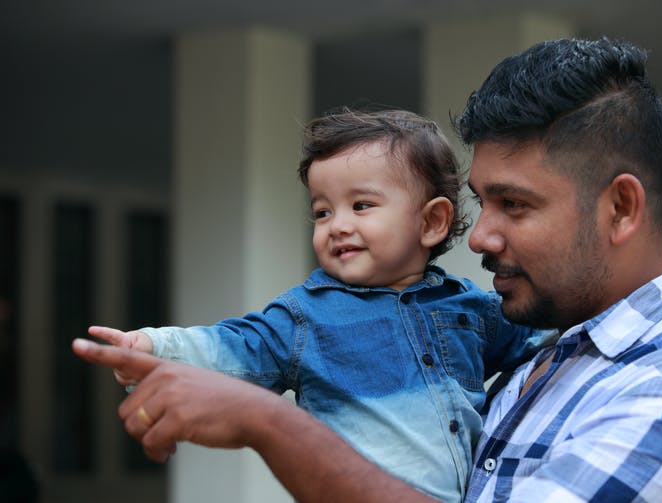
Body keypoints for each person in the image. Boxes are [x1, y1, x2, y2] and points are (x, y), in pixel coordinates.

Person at [73, 37, 662, 502]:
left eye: (514, 204)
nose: (480, 235)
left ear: (621, 206)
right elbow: (243, 343)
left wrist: (270, 423)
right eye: (483, 201)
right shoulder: (543, 359)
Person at [86, 109, 550, 502]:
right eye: (323, 211)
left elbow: (550, 332)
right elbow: (236, 347)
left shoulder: (470, 309)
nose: (337, 226)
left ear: (431, 222)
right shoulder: (306, 317)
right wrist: (152, 348)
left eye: (361, 205)